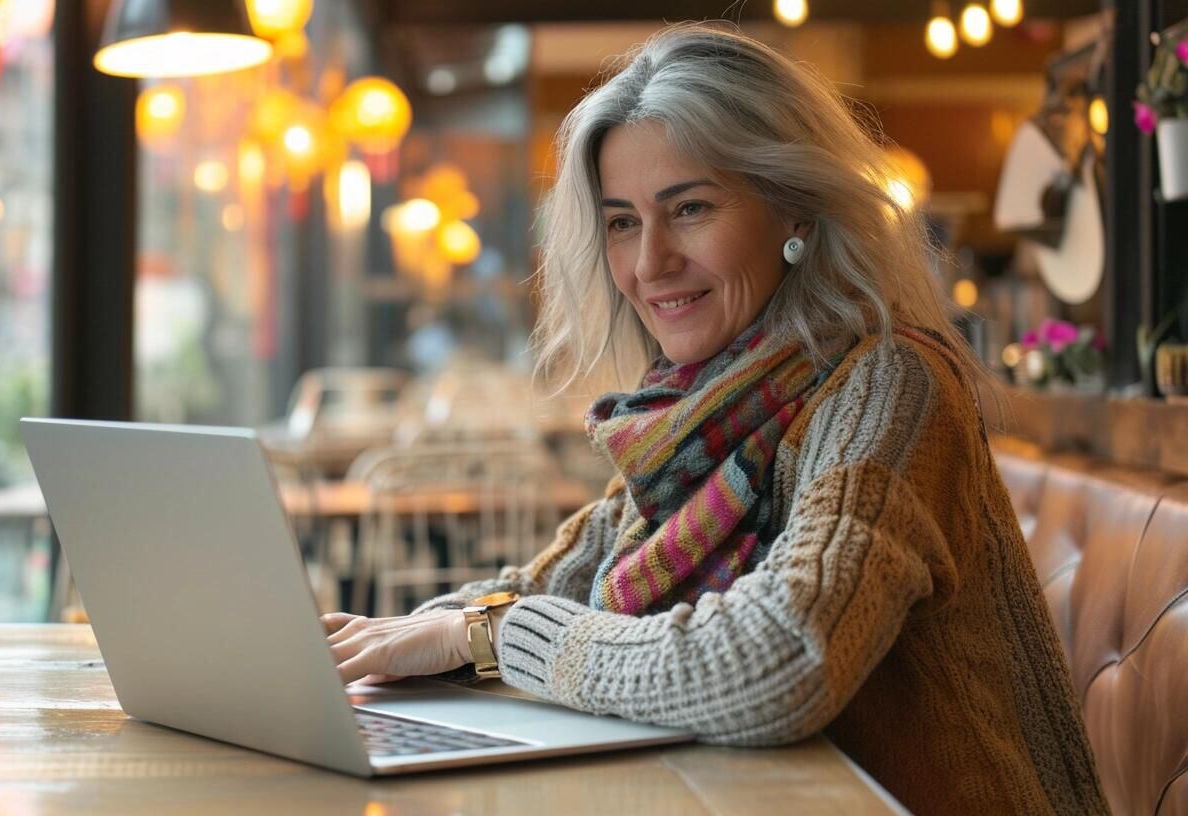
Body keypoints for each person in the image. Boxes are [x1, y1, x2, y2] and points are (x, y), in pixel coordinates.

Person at [322, 23, 1107, 815]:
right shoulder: (702, 411)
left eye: (689, 208)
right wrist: (375, 648)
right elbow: (549, 588)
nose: (648, 263)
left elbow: (780, 662)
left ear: (795, 212)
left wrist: (491, 636)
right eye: (622, 221)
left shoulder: (891, 384)